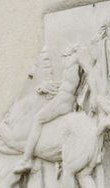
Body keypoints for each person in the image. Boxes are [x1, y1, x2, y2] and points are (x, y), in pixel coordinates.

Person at [13, 43, 85, 173]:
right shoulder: (72, 67)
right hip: (64, 99)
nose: (62, 58)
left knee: (38, 119)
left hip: (63, 102)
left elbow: (68, 87)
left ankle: (26, 159)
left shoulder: (73, 61)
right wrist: (47, 87)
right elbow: (65, 86)